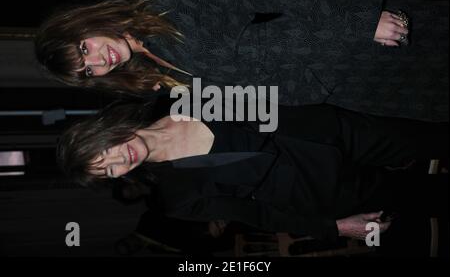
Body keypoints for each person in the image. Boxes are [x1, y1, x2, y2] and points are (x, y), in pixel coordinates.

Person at [35, 0, 448, 121]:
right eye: (87, 71)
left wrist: (357, 22)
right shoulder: (156, 77)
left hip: (347, 38)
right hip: (346, 88)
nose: (97, 61)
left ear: (86, 23)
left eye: (84, 48)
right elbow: (251, 97)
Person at [56, 98, 448, 242]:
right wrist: (335, 227)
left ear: (103, 130)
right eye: (108, 171)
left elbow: (265, 89)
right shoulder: (176, 198)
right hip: (324, 189)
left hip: (334, 132)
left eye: (104, 152)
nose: (119, 161)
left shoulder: (173, 94)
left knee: (432, 136)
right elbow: (258, 214)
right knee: (432, 197)